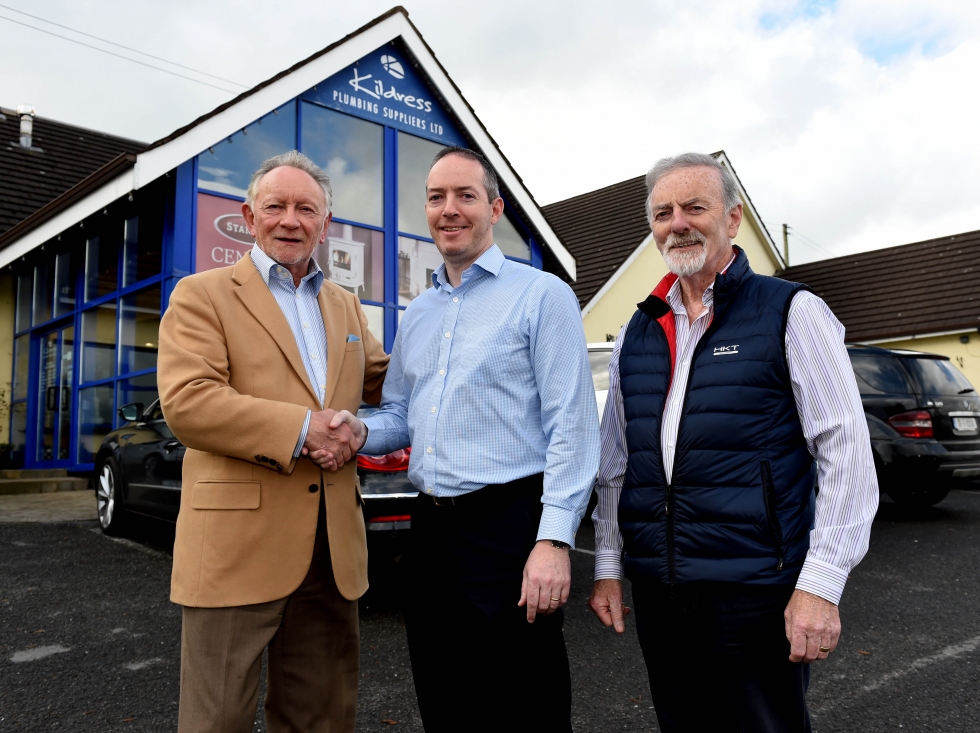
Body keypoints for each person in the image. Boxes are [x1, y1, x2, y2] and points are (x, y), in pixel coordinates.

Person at [587, 152, 879, 732]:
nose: (677, 224)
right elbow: (618, 462)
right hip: (663, 592)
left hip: (755, 589)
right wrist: (608, 564)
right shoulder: (637, 332)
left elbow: (845, 452)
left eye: (694, 207)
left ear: (733, 218)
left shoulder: (791, 311)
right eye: (663, 213)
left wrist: (821, 585)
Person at [326, 146, 599, 732]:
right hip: (430, 530)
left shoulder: (542, 295)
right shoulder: (419, 312)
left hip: (510, 526)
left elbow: (573, 430)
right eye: (436, 197)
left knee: (526, 705)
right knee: (444, 696)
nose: (448, 209)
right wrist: (360, 431)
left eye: (465, 196)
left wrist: (554, 541)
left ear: (494, 209)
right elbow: (401, 414)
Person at [158, 150, 388, 733]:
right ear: (249, 216)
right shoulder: (201, 294)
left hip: (331, 551)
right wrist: (305, 430)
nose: (290, 220)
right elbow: (189, 401)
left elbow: (387, 384)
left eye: (306, 209)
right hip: (235, 547)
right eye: (275, 206)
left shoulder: (346, 305)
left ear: (325, 224)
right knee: (216, 720)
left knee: (322, 717)